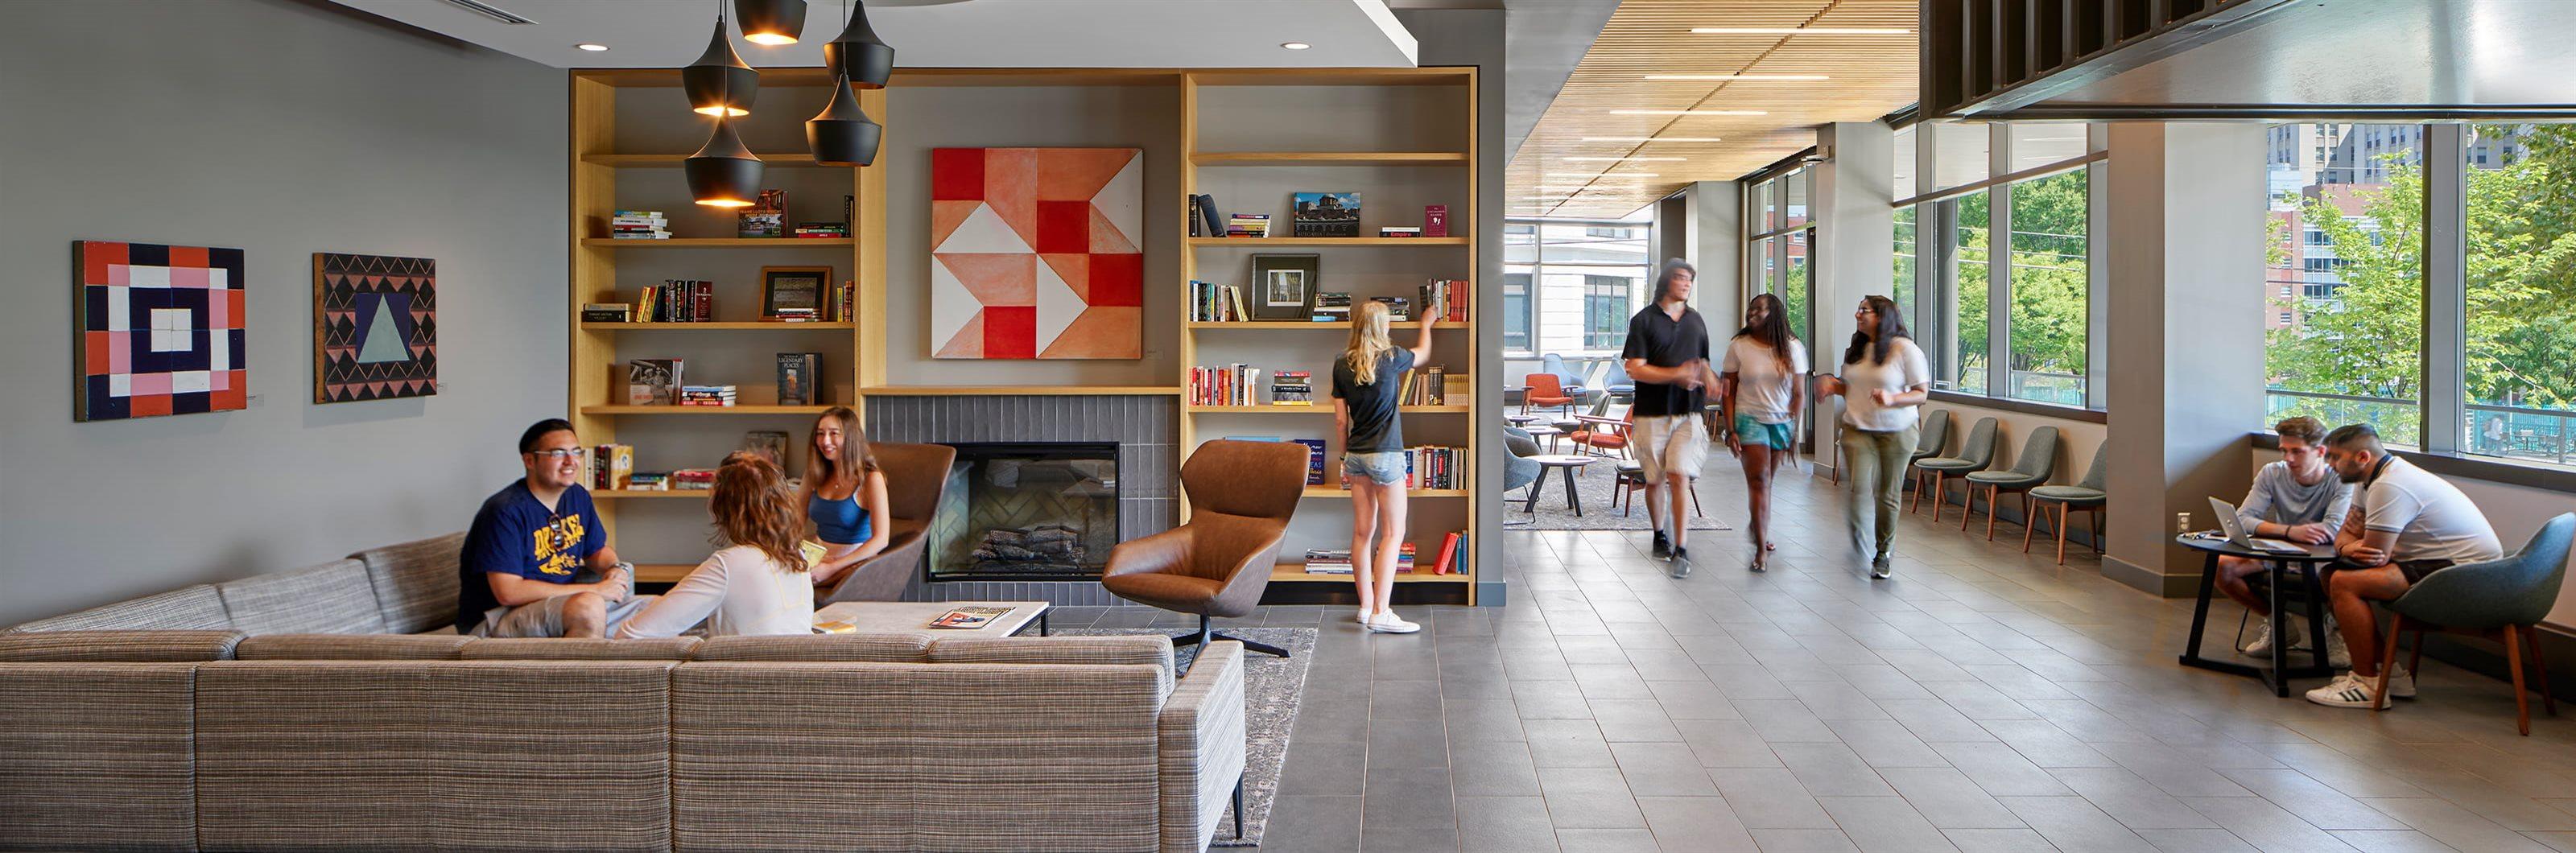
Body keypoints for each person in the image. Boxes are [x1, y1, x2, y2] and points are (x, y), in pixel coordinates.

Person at [2307, 423, 2504, 708]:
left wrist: (2351, 543)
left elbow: (2374, 554)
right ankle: (2389, 676)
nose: (2330, 465)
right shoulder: (2369, 480)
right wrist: (2349, 544)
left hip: (2466, 573)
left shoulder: (2390, 485)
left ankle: (2368, 684)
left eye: (2336, 457)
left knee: (2344, 582)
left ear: (2362, 457)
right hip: (2432, 563)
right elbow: (2347, 535)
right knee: (2331, 575)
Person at [456, 418, 643, 637]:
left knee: (661, 609)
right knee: (588, 607)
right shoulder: (504, 512)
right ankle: (584, 673)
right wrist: (595, 590)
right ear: (530, 461)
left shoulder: (577, 496)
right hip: (498, 618)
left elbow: (596, 552)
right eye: (557, 453)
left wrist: (614, 568)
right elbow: (509, 592)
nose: (570, 461)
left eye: (576, 452)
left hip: (561, 606)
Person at [617, 453, 816, 638]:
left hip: (735, 674)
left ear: (723, 507)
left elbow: (631, 635)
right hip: (793, 673)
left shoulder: (727, 565)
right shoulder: (798, 556)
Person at [2212, 417, 2355, 661]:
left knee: (2340, 579)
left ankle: (2335, 630)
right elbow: (2244, 519)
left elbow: (2331, 529)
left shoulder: (2341, 479)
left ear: (2320, 451)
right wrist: (2289, 531)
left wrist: (2279, 531)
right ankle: (2277, 622)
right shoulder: (2272, 473)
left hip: (2323, 558)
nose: (2288, 459)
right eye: (2284, 451)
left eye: (2297, 452)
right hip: (2280, 549)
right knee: (2222, 568)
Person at [1335, 299, 1432, 633]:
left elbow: (1339, 421)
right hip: (1387, 456)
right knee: (1393, 534)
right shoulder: (1392, 358)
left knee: (1363, 533)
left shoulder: (1341, 364)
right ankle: (1382, 611)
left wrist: (1343, 459)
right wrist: (1427, 324)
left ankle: (1364, 607)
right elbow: (1423, 354)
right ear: (1382, 327)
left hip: (1356, 456)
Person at [1815, 295, 1930, 579]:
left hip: (1898, 430)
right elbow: (1852, 388)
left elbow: (1921, 393)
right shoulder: (1857, 349)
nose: (1857, 314)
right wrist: (1833, 386)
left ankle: (1883, 553)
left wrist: (1892, 398)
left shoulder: (1905, 350)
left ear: (1883, 316)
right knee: (1858, 487)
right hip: (1858, 426)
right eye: (1858, 309)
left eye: (1864, 310)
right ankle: (1858, 533)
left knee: (1887, 493)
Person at [1620, 258, 1720, 577]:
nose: (1687, 283)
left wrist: (1712, 380)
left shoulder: (1696, 321)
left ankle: (1682, 547)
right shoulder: (1644, 321)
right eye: (1680, 277)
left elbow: (1702, 361)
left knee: (1679, 476)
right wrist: (1674, 375)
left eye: (1690, 278)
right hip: (1652, 414)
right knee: (1655, 479)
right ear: (1666, 281)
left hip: (1689, 413)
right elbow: (1634, 367)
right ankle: (1658, 534)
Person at [1720, 292, 1806, 573]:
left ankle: (1758, 526)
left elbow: (1798, 394)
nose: (1752, 313)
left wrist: (1793, 429)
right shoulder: (1739, 346)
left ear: (1776, 314)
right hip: (1749, 419)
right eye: (1750, 308)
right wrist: (1730, 429)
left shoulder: (1793, 348)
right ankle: (1760, 550)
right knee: (1759, 480)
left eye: (1759, 309)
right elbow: (1728, 392)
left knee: (1767, 484)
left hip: (1780, 422)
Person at [798, 406, 891, 592]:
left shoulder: (871, 479)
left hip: (855, 565)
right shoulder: (814, 474)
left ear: (850, 438)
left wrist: (832, 567)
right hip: (818, 557)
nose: (825, 441)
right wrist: (794, 553)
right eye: (820, 434)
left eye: (834, 434)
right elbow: (796, 520)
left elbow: (881, 539)